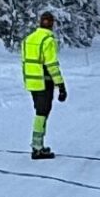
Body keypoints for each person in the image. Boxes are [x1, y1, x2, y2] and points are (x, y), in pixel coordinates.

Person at [20, 9, 68, 159]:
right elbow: (52, 64)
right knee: (42, 114)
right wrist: (61, 85)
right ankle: (37, 147)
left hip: (31, 82)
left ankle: (38, 145)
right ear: (52, 24)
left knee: (40, 113)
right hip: (44, 82)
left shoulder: (28, 39)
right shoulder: (48, 41)